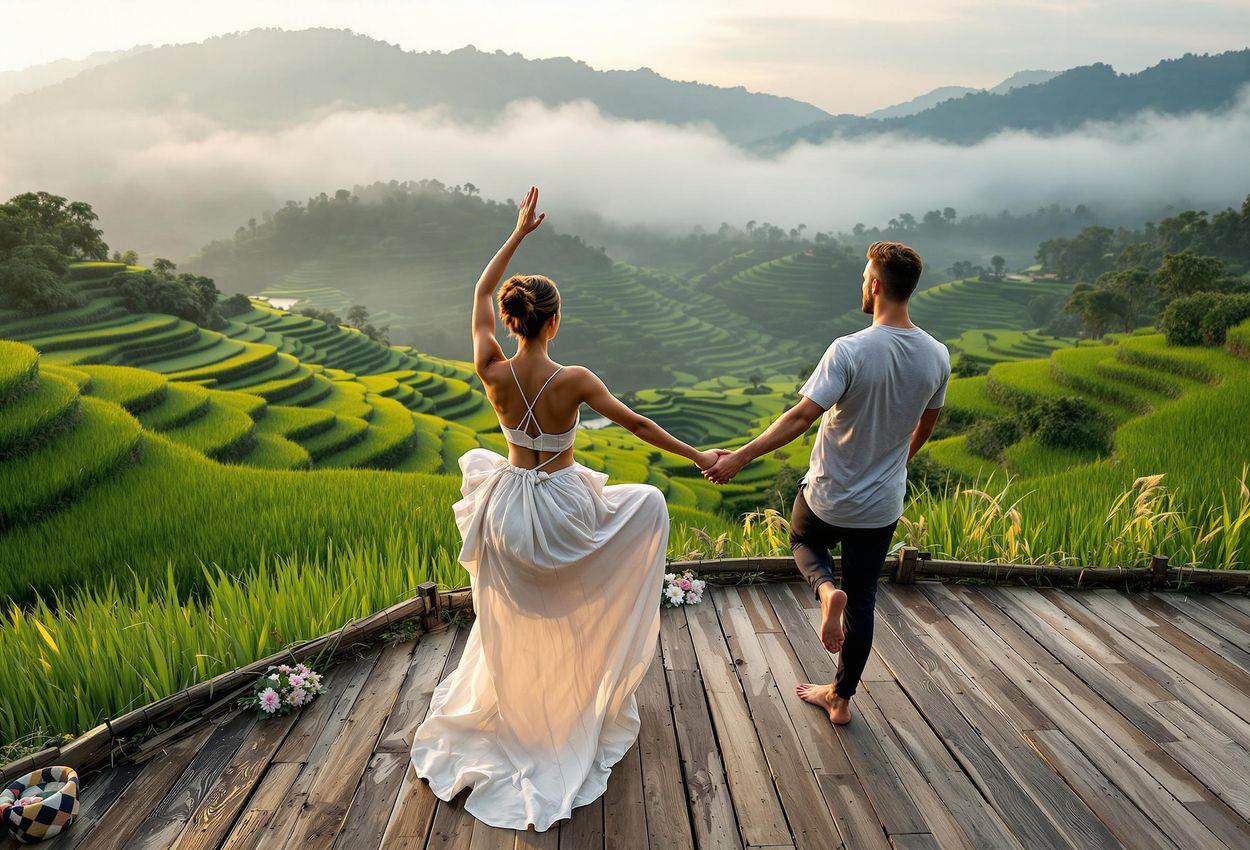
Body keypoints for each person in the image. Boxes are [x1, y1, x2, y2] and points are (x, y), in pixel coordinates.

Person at [409, 186, 724, 831]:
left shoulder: (491, 368)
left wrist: (518, 234)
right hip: (560, 507)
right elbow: (636, 425)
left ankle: (535, 698)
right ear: (553, 322)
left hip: (508, 511)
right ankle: (574, 692)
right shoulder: (575, 380)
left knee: (529, 607)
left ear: (511, 319)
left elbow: (476, 295)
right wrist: (698, 456)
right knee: (649, 505)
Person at [702, 241, 950, 726]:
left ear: (876, 285)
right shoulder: (937, 355)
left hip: (828, 497)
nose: (862, 283)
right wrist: (897, 461)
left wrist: (741, 458)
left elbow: (800, 416)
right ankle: (840, 699)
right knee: (864, 599)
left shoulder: (850, 349)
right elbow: (927, 423)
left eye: (864, 276)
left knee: (802, 538)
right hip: (882, 504)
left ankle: (822, 591)